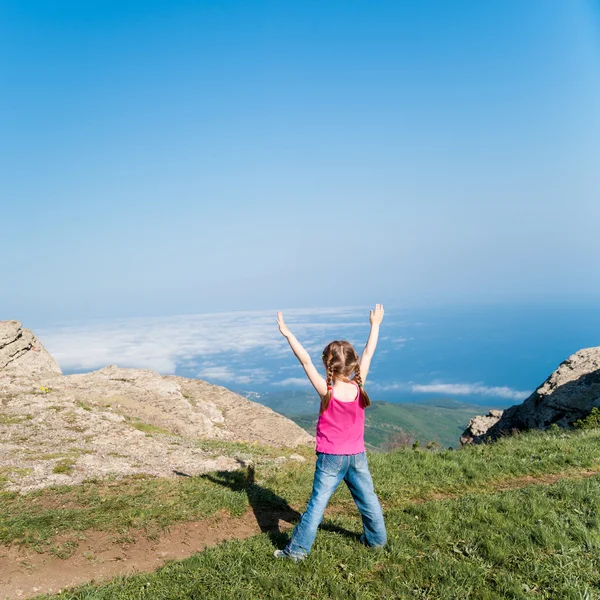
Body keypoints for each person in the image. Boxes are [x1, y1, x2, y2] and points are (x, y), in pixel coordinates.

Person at [274, 305, 388, 561]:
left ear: (328, 365)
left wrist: (287, 333)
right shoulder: (359, 386)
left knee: (317, 505)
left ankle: (296, 552)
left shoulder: (327, 390)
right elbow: (369, 352)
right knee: (368, 500)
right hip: (357, 455)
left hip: (330, 458)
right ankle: (377, 542)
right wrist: (375, 325)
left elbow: (304, 359)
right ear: (353, 365)